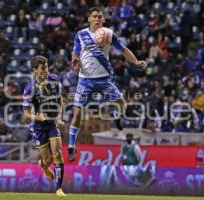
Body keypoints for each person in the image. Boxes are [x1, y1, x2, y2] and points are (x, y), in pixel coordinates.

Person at [68, 7, 147, 161]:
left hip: (104, 79)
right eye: (95, 16)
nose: (98, 19)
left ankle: (116, 116)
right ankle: (71, 147)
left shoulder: (109, 34)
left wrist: (136, 62)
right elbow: (75, 52)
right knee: (77, 112)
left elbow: (123, 50)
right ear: (89, 19)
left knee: (122, 105)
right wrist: (75, 62)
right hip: (85, 80)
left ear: (103, 19)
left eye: (100, 17)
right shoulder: (81, 35)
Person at [23, 55, 66, 196]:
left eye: (47, 66)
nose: (46, 70)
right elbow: (26, 114)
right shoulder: (30, 88)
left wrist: (59, 117)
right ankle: (43, 166)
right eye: (43, 68)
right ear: (35, 70)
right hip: (38, 126)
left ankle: (59, 189)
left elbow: (60, 99)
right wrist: (38, 117)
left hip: (52, 123)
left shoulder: (54, 79)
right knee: (47, 159)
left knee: (58, 154)